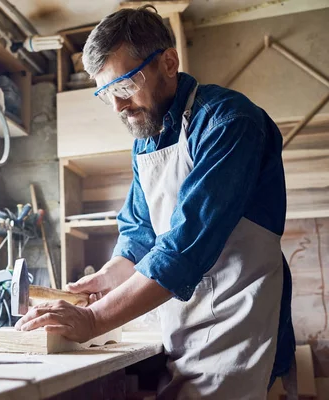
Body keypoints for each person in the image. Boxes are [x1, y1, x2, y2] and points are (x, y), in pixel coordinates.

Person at [15, 5, 295, 398]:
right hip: (184, 323)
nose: (117, 106)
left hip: (239, 321)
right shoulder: (147, 139)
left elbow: (186, 247)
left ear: (168, 62)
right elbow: (140, 238)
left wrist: (93, 319)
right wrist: (101, 282)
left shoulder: (228, 123)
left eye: (125, 86)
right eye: (107, 92)